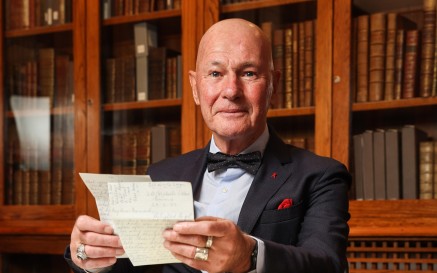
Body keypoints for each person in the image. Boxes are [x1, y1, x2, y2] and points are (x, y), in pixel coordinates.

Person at [65, 18, 351, 273]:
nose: (231, 91)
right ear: (194, 88)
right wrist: (91, 256)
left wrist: (251, 256)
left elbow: (328, 264)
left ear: (273, 85)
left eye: (249, 73)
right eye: (215, 74)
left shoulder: (322, 176)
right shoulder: (162, 174)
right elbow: (130, 267)